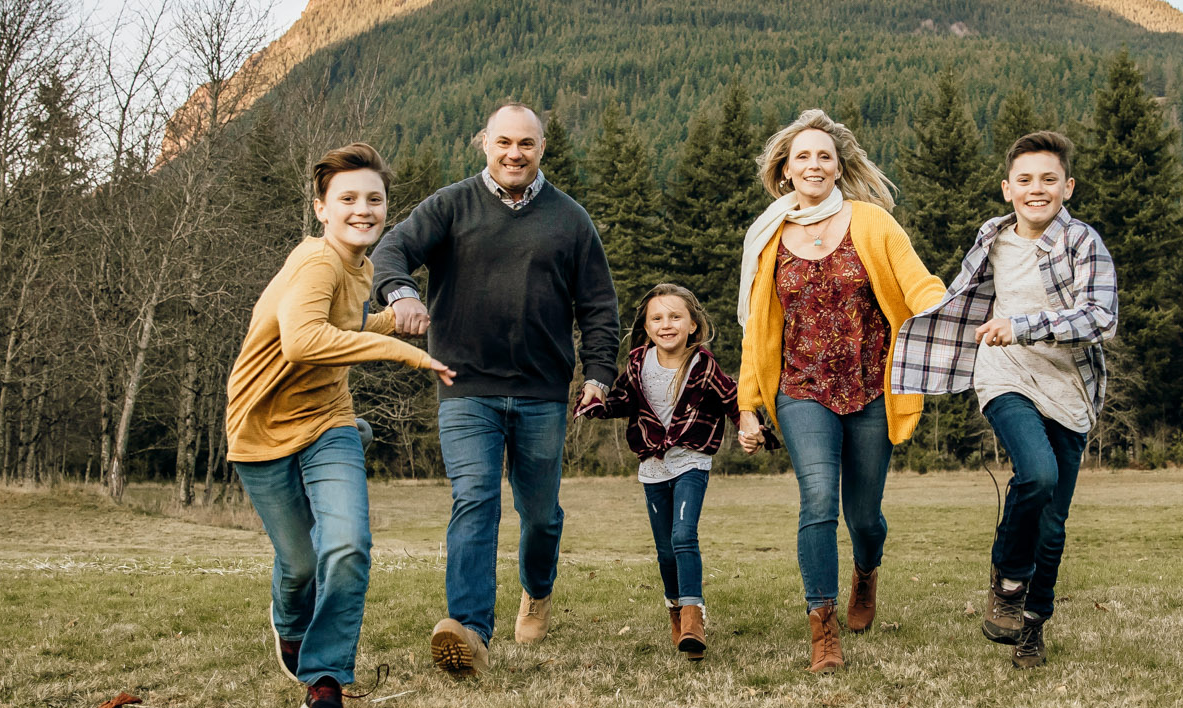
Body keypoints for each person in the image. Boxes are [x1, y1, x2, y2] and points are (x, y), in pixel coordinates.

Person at [371, 101, 619, 676]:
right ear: (484, 142)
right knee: (475, 499)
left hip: (541, 392)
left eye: (526, 144)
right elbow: (393, 250)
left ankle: (537, 589)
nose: (514, 153)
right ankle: (470, 632)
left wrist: (600, 374)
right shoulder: (451, 206)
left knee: (540, 516)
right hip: (465, 385)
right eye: (504, 142)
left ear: (541, 149)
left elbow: (599, 306)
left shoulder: (570, 219)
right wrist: (400, 292)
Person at [225, 144, 457, 708]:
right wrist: (401, 352)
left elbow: (345, 326)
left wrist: (397, 319)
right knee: (300, 565)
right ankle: (290, 621)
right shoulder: (317, 263)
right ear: (320, 209)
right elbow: (304, 341)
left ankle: (325, 682)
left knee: (348, 546)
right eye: (347, 199)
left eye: (373, 199)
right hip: (260, 428)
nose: (363, 209)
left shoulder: (362, 268)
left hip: (328, 418)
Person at [891, 129, 1118, 667]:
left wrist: (1023, 325)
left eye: (1048, 179)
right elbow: (960, 296)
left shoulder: (1083, 242)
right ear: (1006, 189)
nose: (1036, 189)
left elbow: (1100, 317)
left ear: (1068, 187)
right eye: (1025, 180)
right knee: (1035, 474)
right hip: (1004, 374)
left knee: (1054, 522)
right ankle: (1009, 581)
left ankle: (1033, 624)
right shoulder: (991, 237)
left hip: (1069, 388)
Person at [735, 108, 947, 672]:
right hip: (802, 389)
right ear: (784, 169)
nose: (813, 164)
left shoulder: (872, 223)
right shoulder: (769, 238)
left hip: (872, 387)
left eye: (823, 155)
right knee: (819, 501)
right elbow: (759, 329)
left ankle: (866, 570)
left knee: (865, 516)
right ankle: (822, 624)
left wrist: (948, 314)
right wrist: (748, 404)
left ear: (839, 166)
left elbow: (918, 283)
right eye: (801, 155)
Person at [575, 282, 738, 658]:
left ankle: (694, 616)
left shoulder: (703, 365)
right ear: (646, 328)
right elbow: (620, 402)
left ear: (693, 325)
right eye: (657, 318)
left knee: (683, 535)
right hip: (652, 466)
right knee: (666, 551)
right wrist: (594, 402)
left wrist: (751, 424)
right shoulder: (636, 364)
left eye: (676, 316)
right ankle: (677, 613)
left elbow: (732, 398)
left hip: (691, 460)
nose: (667, 324)